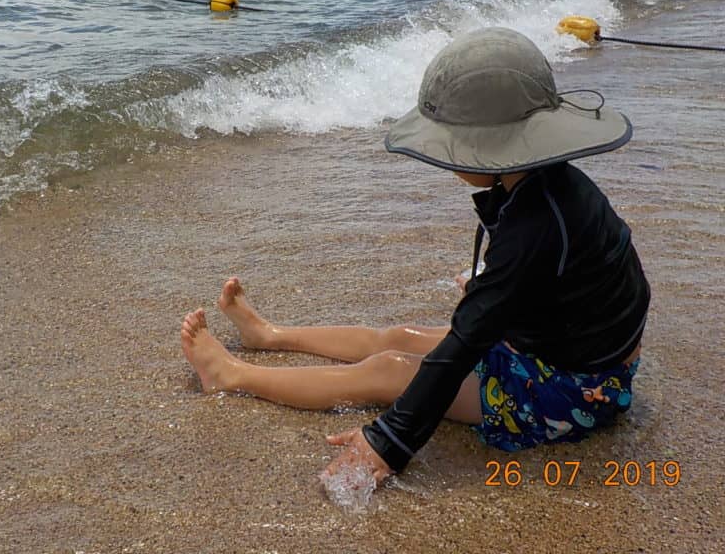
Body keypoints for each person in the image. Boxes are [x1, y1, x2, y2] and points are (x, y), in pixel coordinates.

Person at [180, 27, 650, 483]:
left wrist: (390, 440)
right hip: (553, 346)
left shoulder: (537, 222)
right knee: (394, 336)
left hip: (575, 390)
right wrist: (505, 297)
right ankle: (269, 335)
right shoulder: (542, 182)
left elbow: (464, 344)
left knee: (388, 370)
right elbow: (590, 280)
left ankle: (230, 374)